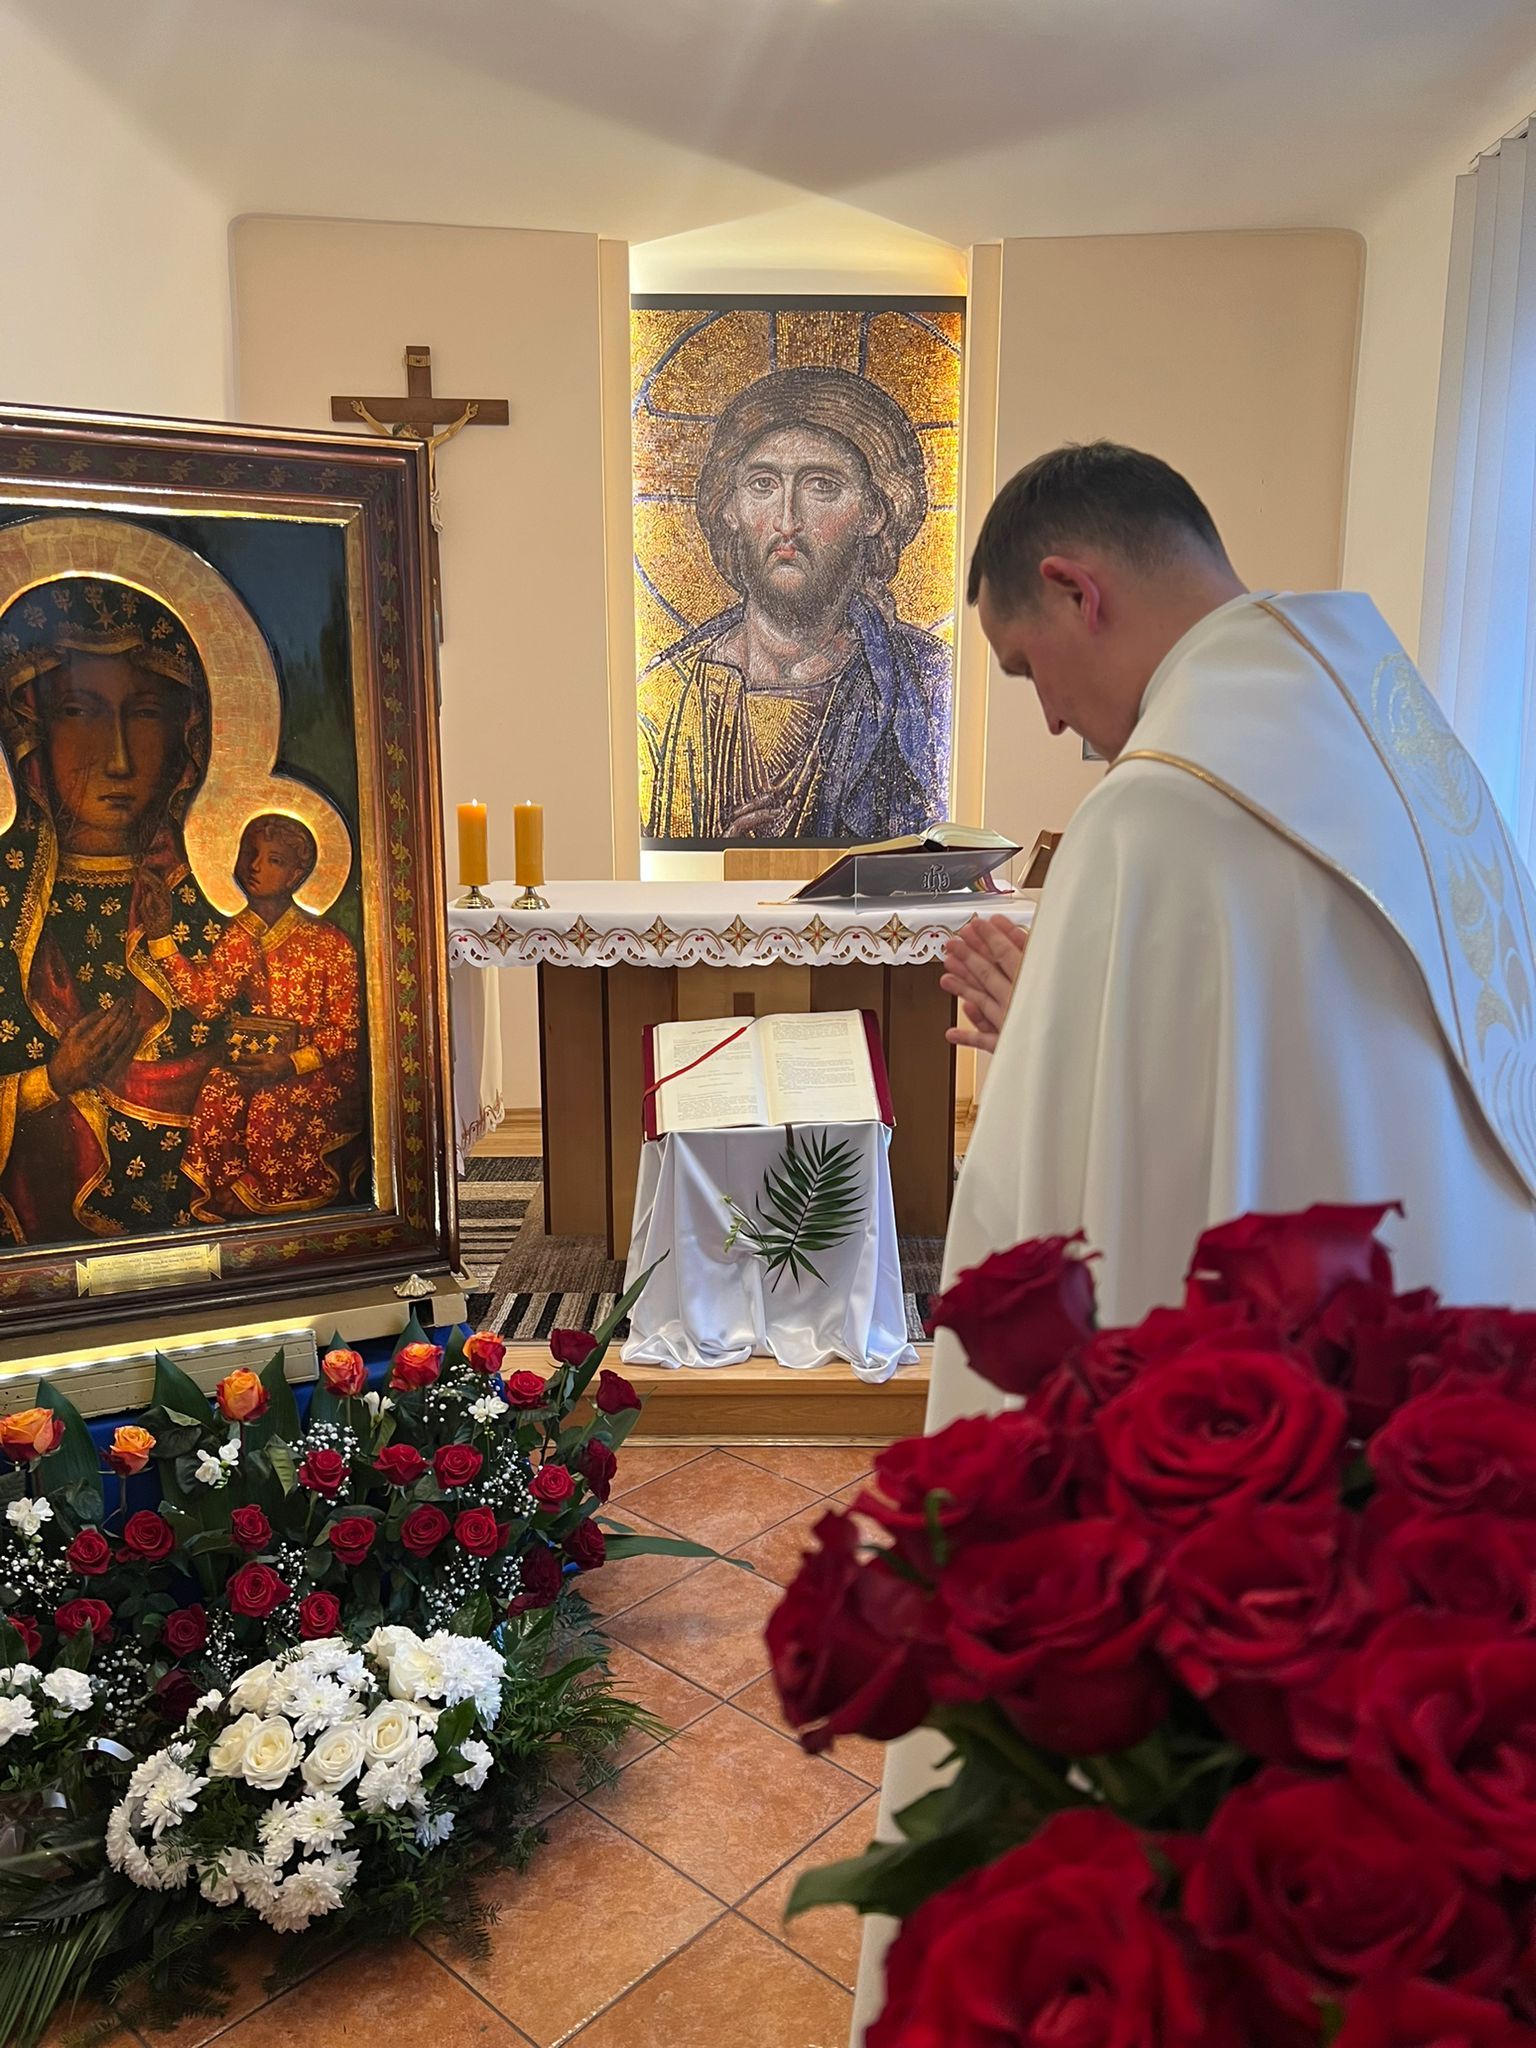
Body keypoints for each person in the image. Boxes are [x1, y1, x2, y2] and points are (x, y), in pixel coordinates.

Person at [852, 440, 1536, 2040]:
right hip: (1448, 1391)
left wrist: (1046, 1037)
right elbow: (1311, 1069)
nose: (1050, 720)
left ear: (1076, 586)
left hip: (1267, 1463)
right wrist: (1067, 1011)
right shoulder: (1393, 730)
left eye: (1026, 665)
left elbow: (1082, 1209)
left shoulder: (1165, 809)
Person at [0, 576, 225, 1243]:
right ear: (34, 731)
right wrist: (49, 1081)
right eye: (81, 711)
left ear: (185, 735)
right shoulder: (8, 898)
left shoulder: (210, 899)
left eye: (147, 714)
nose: (119, 759)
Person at [640, 365, 951, 844]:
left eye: (821, 485)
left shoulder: (925, 686)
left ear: (874, 511)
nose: (787, 522)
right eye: (763, 484)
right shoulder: (670, 701)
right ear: (730, 508)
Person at [136, 813, 364, 1220]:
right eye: (249, 853)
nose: (256, 866)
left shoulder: (330, 942)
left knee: (270, 1102)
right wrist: (161, 937)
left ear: (296, 874)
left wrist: (290, 1063)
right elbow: (207, 1000)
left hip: (319, 1070)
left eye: (274, 860)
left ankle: (268, 1195)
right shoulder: (241, 936)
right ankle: (226, 1195)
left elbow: (344, 1031)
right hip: (262, 1060)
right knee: (219, 1087)